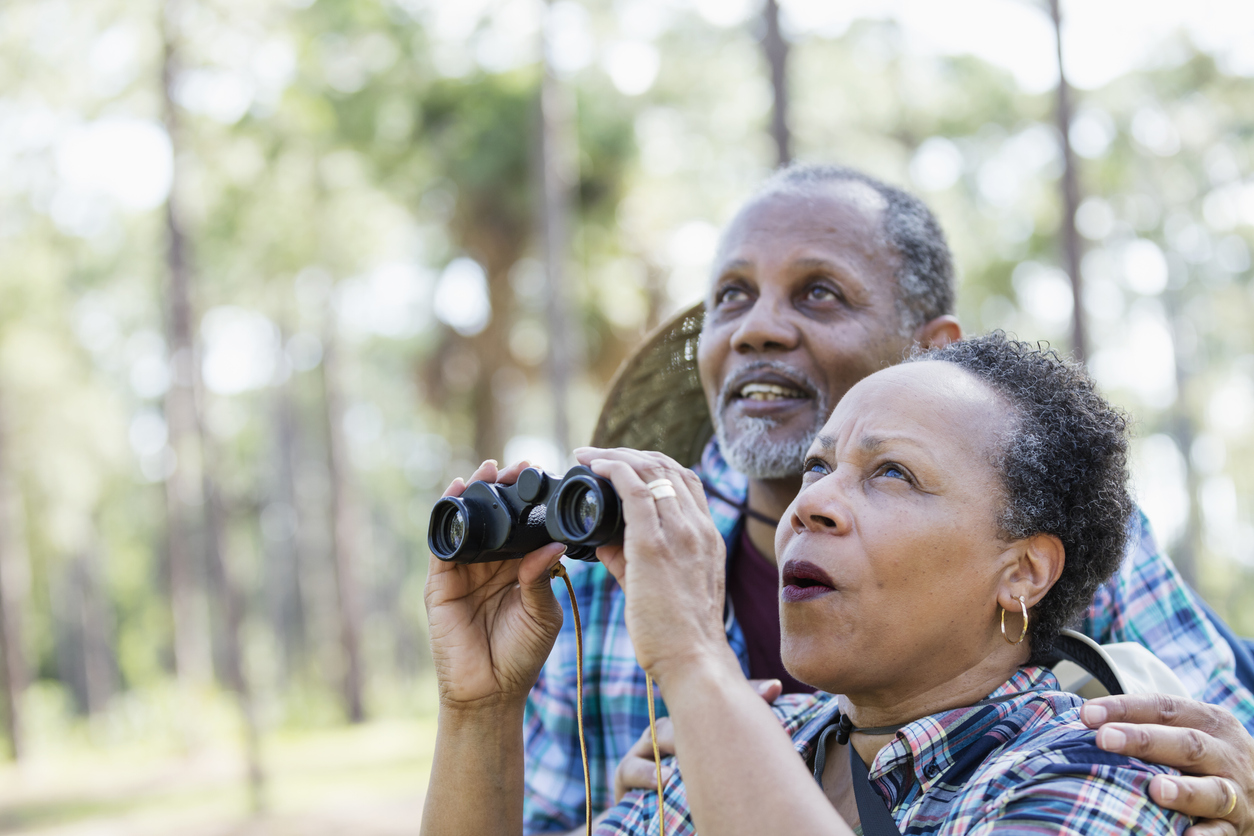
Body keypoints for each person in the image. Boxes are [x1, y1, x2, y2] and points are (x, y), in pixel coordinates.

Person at [521, 164, 1254, 835]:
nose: (758, 328)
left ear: (932, 348)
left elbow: (1210, 744)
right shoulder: (602, 572)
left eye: (819, 292)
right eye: (731, 296)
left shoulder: (1066, 541)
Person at [422, 334, 1199, 835]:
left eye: (892, 473)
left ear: (1022, 573)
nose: (811, 504)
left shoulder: (1103, 772)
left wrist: (695, 660)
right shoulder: (745, 750)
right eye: (818, 468)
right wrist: (480, 708)